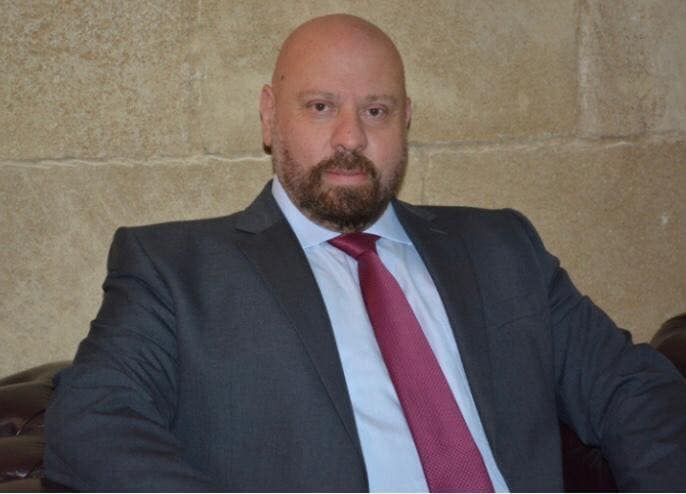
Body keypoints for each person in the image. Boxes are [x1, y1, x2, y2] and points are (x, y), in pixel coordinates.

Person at [44, 14, 686, 492]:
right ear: (270, 116)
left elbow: (632, 388)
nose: (350, 137)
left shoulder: (502, 246)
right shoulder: (174, 269)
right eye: (321, 106)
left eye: (376, 110)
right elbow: (93, 422)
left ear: (406, 120)